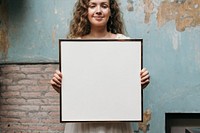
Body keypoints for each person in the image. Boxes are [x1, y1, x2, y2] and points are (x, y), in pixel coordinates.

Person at [50, 0, 150, 132]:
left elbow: (125, 86)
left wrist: (139, 84)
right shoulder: (74, 46)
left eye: (104, 6)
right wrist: (60, 86)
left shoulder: (123, 43)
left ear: (111, 11)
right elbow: (74, 89)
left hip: (115, 123)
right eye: (92, 6)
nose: (98, 11)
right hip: (82, 124)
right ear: (85, 11)